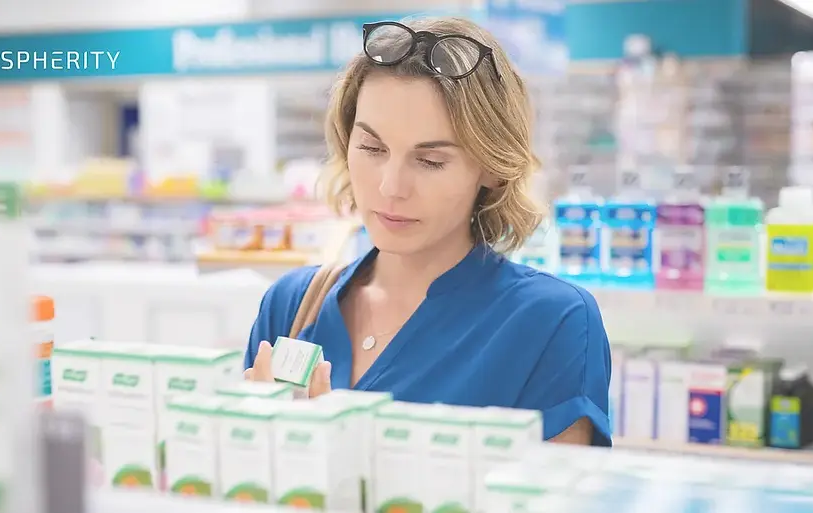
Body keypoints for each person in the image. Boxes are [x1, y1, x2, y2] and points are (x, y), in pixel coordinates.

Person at [244, 16, 612, 446]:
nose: (390, 187)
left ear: (492, 167)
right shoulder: (293, 306)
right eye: (372, 148)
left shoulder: (551, 322)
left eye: (430, 160)